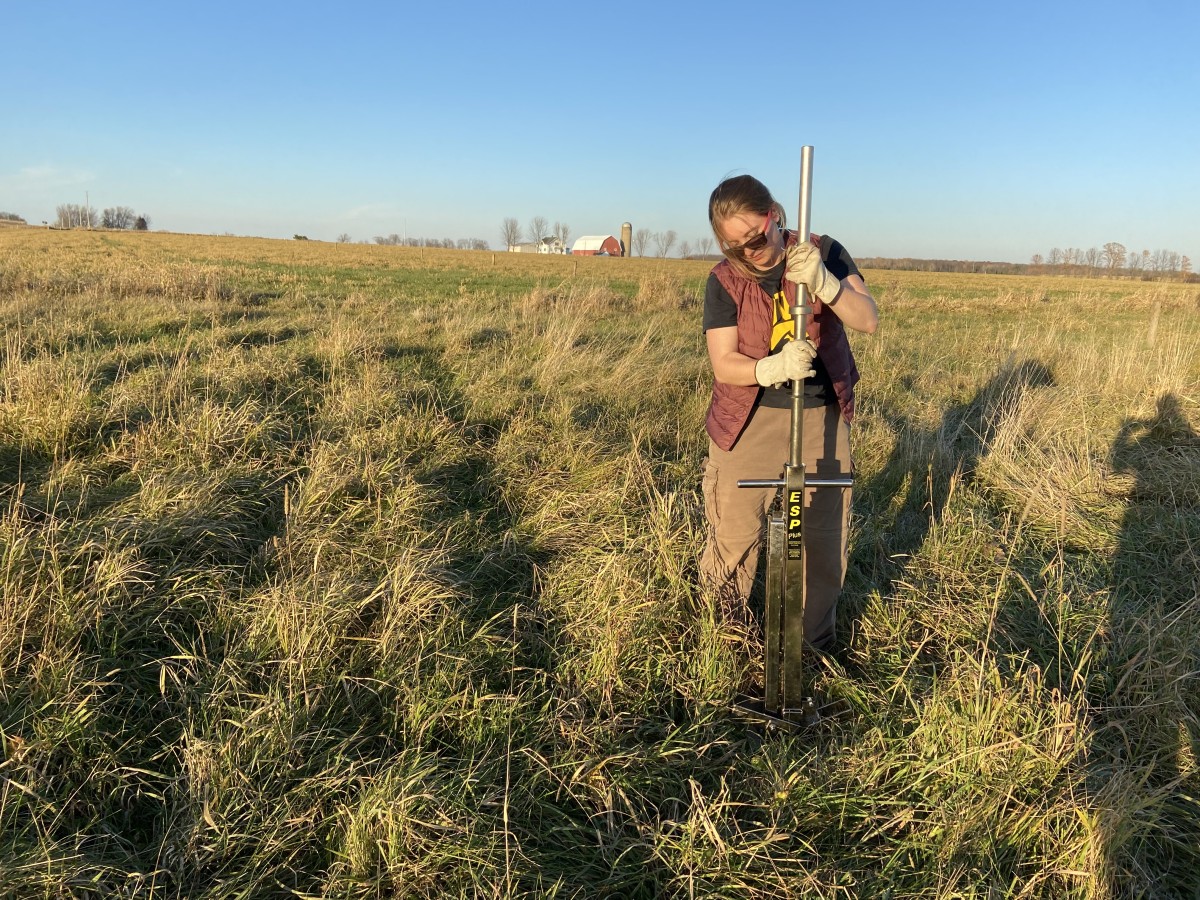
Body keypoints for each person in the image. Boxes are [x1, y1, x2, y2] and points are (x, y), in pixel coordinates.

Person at [699, 174, 878, 651]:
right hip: (749, 419)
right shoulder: (724, 279)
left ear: (774, 215)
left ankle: (814, 645)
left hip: (820, 415)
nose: (747, 252)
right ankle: (728, 641)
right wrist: (769, 367)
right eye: (733, 246)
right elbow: (724, 362)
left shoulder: (825, 251)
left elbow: (869, 318)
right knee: (735, 537)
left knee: (821, 539)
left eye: (754, 239)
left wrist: (824, 282)